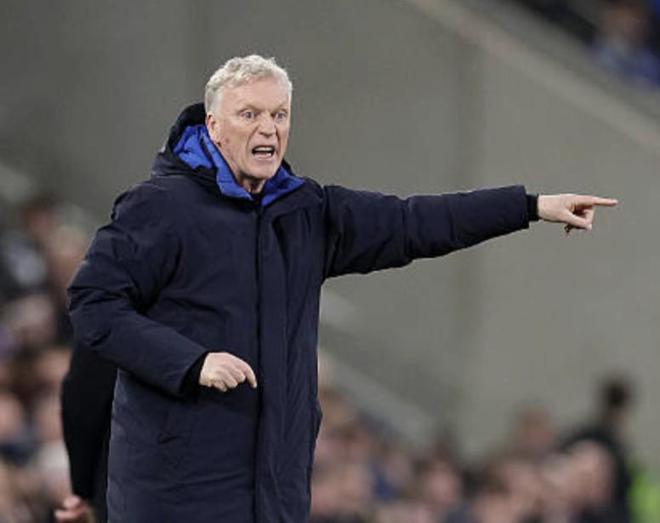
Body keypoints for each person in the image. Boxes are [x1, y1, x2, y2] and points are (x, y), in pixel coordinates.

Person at [61, 54, 617, 523]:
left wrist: (529, 207)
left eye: (279, 114)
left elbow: (414, 222)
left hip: (275, 495)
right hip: (174, 495)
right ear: (213, 126)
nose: (268, 128)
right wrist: (191, 362)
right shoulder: (159, 208)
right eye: (250, 114)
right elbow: (93, 304)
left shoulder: (306, 212)